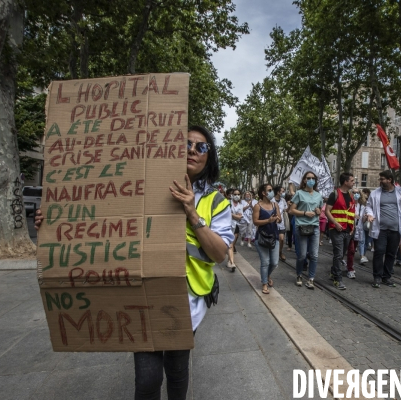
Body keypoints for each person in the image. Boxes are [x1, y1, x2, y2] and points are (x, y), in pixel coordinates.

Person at [36, 126, 234, 400]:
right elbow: (98, 217)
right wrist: (55, 220)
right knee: (147, 379)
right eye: (186, 143)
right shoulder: (140, 188)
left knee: (177, 369)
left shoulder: (216, 202)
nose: (192, 150)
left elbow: (219, 254)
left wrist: (192, 213)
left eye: (201, 147)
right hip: (142, 296)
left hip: (188, 301)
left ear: (208, 158)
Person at [365, 170, 401, 288]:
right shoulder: (375, 193)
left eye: (382, 179)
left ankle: (386, 277)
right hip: (380, 229)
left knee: (391, 254)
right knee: (379, 251)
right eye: (380, 179)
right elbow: (369, 206)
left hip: (395, 229)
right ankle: (377, 277)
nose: (380, 181)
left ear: (389, 180)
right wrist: (370, 214)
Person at [290, 171, 323, 289]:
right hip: (301, 227)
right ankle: (299, 275)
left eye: (313, 178)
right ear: (304, 180)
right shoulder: (299, 193)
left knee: (314, 255)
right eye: (308, 178)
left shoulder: (319, 195)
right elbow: (291, 210)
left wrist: (319, 211)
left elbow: (319, 210)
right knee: (302, 255)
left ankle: (311, 279)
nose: (311, 180)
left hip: (314, 227)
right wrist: (304, 213)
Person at [325, 173, 356, 290]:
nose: (353, 182)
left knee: (341, 254)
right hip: (336, 229)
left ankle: (333, 272)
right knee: (338, 255)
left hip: (348, 230)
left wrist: (352, 227)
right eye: (352, 180)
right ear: (345, 182)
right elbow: (327, 211)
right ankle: (338, 279)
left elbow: (351, 213)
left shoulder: (351, 195)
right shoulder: (335, 194)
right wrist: (335, 223)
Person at [253, 184, 281, 294]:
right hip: (261, 237)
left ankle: (267, 275)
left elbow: (279, 219)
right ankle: (264, 283)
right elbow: (255, 222)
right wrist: (268, 221)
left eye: (272, 190)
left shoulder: (275, 205)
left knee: (274, 262)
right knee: (265, 262)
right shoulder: (257, 206)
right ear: (263, 193)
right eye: (269, 190)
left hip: (274, 236)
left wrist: (277, 219)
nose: (272, 192)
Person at [226, 188, 249, 271]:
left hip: (236, 226)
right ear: (232, 195)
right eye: (235, 194)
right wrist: (235, 215)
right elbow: (226, 213)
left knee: (232, 244)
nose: (236, 196)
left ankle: (229, 261)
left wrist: (231, 214)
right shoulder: (227, 203)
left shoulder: (240, 205)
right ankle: (232, 262)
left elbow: (240, 217)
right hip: (227, 225)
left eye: (238, 194)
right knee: (230, 245)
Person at [352, 189, 368, 268]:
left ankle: (362, 256)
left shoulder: (362, 205)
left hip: (360, 226)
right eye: (354, 193)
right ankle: (350, 256)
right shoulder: (350, 203)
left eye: (357, 193)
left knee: (362, 241)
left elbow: (363, 219)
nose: (356, 194)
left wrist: (365, 217)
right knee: (351, 243)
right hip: (351, 226)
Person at [271, 185, 288, 261]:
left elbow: (286, 210)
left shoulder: (283, 200)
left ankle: (280, 252)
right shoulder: (271, 200)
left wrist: (290, 206)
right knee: (273, 239)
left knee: (281, 239)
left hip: (281, 223)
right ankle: (273, 253)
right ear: (278, 192)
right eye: (282, 191)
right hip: (272, 223)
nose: (283, 193)